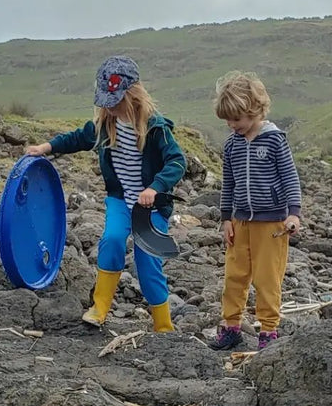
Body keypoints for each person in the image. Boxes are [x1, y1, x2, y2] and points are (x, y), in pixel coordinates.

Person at [25, 55, 186, 332]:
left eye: (115, 101)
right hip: (120, 201)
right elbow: (76, 138)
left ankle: (163, 325)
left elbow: (177, 161)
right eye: (106, 102)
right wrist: (46, 147)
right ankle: (100, 308)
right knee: (111, 240)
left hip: (151, 207)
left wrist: (155, 187)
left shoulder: (155, 127)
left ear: (132, 95)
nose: (109, 108)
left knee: (148, 260)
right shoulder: (103, 126)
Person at [209, 71, 302, 351]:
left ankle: (269, 332)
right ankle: (231, 327)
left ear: (254, 111)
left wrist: (294, 213)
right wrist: (226, 219)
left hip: (272, 224)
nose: (231, 125)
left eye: (236, 119)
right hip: (240, 222)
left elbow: (290, 177)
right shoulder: (232, 145)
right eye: (227, 120)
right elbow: (229, 183)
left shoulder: (275, 140)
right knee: (234, 277)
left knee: (267, 279)